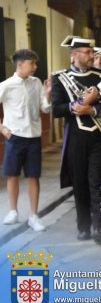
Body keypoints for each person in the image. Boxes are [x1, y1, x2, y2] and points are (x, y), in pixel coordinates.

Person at [52, 36, 101, 243]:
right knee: (80, 184)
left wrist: (92, 108)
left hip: (99, 137)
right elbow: (56, 109)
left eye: (92, 52)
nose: (91, 56)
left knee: (97, 182)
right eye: (87, 52)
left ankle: (98, 226)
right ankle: (83, 226)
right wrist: (75, 106)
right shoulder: (59, 78)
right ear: (74, 54)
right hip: (75, 138)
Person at [0, 49, 51, 231]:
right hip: (14, 137)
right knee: (12, 175)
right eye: (32, 63)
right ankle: (13, 211)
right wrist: (2, 128)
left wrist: (48, 94)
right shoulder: (6, 85)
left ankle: (33, 216)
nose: (35, 67)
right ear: (20, 64)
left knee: (33, 176)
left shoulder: (36, 83)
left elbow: (44, 109)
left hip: (34, 137)